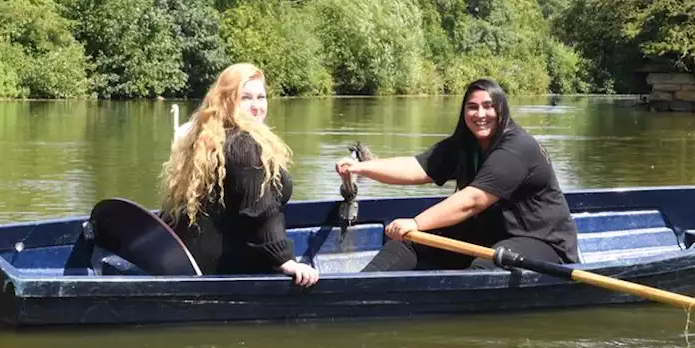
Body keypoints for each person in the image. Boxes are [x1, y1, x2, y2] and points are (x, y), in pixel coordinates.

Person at [336, 78, 578, 271]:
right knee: (409, 241)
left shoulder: (517, 148)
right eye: (472, 107)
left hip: (542, 243)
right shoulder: (464, 145)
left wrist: (416, 222)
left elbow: (473, 201)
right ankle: (357, 290)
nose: (480, 114)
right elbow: (417, 167)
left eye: (488, 106)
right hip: (489, 236)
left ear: (501, 110)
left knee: (486, 266)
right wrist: (361, 168)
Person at [159, 63, 319, 286]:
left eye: (261, 97)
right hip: (227, 269)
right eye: (246, 98)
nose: (256, 107)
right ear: (227, 101)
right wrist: (285, 260)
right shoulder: (245, 145)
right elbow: (261, 211)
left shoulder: (206, 140)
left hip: (197, 260)